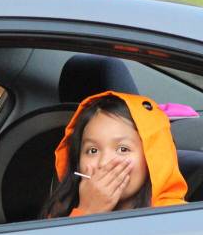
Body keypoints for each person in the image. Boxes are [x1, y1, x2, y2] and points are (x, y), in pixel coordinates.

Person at [41, 90, 188, 219]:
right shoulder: (61, 214)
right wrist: (87, 212)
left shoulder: (175, 219)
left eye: (123, 149)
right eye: (93, 150)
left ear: (153, 158)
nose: (104, 162)